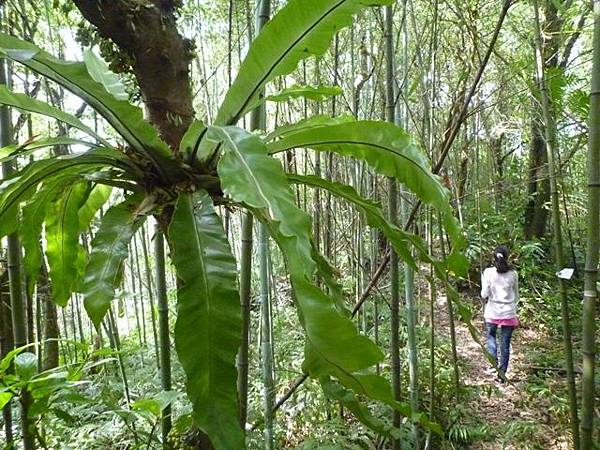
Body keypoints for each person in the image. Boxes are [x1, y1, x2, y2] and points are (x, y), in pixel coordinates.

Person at [480, 245, 519, 381]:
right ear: (507, 257)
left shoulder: (488, 273)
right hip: (508, 313)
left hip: (492, 312)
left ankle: (494, 365)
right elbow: (516, 295)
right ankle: (502, 373)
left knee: (491, 338)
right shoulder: (513, 274)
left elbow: (484, 294)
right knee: (505, 344)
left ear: (493, 258)